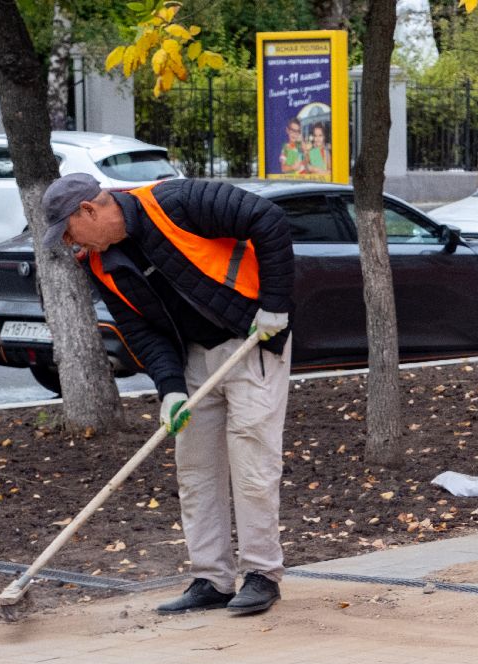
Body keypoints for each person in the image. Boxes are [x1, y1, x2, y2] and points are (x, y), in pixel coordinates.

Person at [40, 173, 295, 617]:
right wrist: (170, 391)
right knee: (194, 469)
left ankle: (261, 575)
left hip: (251, 338)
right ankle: (211, 578)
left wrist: (275, 305)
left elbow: (268, 219)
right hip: (193, 357)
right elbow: (140, 327)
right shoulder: (96, 262)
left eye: (67, 231)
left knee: (253, 461)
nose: (68, 243)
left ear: (88, 211)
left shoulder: (175, 200)